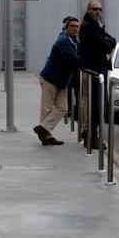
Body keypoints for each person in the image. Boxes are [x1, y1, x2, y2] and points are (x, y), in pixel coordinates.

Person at [34, 17, 83, 145]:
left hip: (60, 81)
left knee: (63, 107)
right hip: (50, 79)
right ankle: (46, 135)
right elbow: (71, 59)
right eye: (72, 26)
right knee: (47, 109)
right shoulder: (63, 40)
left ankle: (43, 128)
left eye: (77, 26)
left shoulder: (73, 41)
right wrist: (85, 62)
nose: (75, 28)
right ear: (66, 28)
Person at [78, 0, 117, 149]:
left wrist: (109, 41)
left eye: (100, 9)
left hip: (97, 69)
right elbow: (107, 46)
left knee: (96, 105)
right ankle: (92, 138)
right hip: (94, 70)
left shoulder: (95, 26)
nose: (98, 12)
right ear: (88, 10)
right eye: (95, 9)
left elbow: (110, 40)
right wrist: (109, 42)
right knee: (95, 105)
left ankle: (91, 136)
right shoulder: (88, 27)